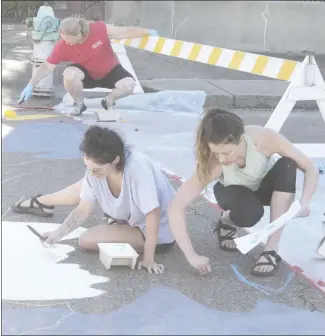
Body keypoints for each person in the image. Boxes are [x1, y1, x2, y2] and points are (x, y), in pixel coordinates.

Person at [168, 109, 319, 277]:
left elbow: (309, 167)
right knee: (252, 214)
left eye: (226, 153)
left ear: (241, 139)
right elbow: (177, 205)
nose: (222, 159)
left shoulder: (264, 139)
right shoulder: (214, 164)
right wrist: (191, 256)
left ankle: (270, 250)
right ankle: (227, 220)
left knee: (288, 164)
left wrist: (304, 202)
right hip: (231, 191)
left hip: (263, 188)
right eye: (216, 153)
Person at [12, 126, 175, 274]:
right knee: (84, 185)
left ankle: (127, 230)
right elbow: (83, 208)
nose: (91, 173)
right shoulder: (97, 170)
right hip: (133, 218)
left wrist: (149, 258)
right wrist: (58, 234)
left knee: (86, 240)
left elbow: (153, 213)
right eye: (88, 167)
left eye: (97, 169)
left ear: (116, 159)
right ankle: (44, 201)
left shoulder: (138, 169)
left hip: (159, 230)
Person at [18, 17, 158, 116]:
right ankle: (79, 104)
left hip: (110, 70)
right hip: (86, 74)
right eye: (63, 39)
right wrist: (31, 84)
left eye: (69, 41)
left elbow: (124, 31)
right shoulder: (62, 45)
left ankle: (108, 101)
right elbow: (48, 66)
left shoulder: (98, 29)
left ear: (79, 34)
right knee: (69, 74)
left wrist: (146, 31)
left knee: (129, 85)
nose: (66, 43)